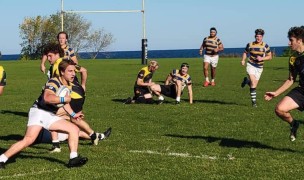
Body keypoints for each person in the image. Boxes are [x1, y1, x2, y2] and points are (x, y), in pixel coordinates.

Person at [0, 60, 88, 169]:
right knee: (29, 140)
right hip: (39, 112)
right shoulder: (54, 82)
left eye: (74, 71)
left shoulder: (68, 84)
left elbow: (65, 104)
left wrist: (74, 114)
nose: (73, 74)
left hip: (50, 114)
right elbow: (47, 98)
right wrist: (63, 98)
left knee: (74, 129)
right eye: (70, 71)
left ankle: (73, 159)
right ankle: (2, 159)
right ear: (61, 72)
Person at [42, 43, 109, 153]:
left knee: (52, 115)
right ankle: (96, 136)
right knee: (74, 119)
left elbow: (57, 85)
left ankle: (56, 145)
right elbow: (84, 70)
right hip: (79, 94)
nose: (48, 59)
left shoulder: (58, 66)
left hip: (72, 96)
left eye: (50, 56)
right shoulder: (67, 62)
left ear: (56, 54)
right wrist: (83, 85)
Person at [264, 26, 304, 142]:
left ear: (299, 40)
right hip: (301, 91)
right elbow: (291, 79)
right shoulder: (293, 58)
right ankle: (294, 124)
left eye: (291, 40)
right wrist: (276, 93)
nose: (289, 43)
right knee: (280, 109)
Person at [241, 28, 272, 107]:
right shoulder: (250, 44)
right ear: (255, 36)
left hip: (259, 67)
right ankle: (254, 103)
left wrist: (262, 58)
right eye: (257, 36)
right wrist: (243, 60)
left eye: (260, 36)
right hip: (251, 65)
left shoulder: (265, 46)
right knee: (253, 82)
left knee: (254, 85)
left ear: (262, 37)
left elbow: (270, 57)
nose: (258, 38)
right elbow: (245, 53)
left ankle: (246, 81)